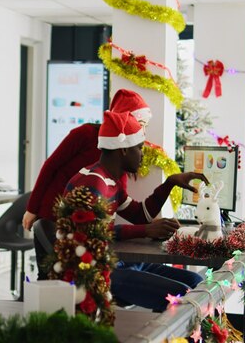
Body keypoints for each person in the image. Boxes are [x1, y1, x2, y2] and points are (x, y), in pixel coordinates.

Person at [65, 110, 208, 312]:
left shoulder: (110, 180)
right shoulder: (93, 183)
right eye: (139, 148)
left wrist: (169, 183)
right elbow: (90, 234)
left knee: (197, 282)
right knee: (182, 297)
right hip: (97, 271)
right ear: (123, 150)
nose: (142, 154)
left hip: (119, 262)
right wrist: (146, 230)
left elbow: (141, 214)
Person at [22, 89, 152, 279]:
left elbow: (120, 199)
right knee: (50, 278)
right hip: (51, 216)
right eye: (140, 124)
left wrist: (148, 221)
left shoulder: (120, 159)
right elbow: (50, 166)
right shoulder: (85, 134)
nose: (143, 131)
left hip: (81, 228)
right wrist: (31, 209)